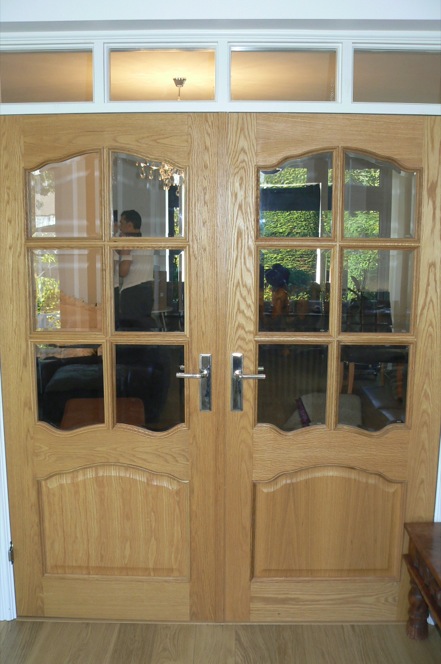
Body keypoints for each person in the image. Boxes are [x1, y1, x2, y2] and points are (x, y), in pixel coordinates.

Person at [116, 209, 155, 330]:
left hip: (133, 293)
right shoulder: (147, 242)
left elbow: (123, 272)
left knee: (131, 333)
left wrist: (123, 247)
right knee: (142, 331)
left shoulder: (128, 243)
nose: (119, 226)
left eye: (121, 223)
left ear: (129, 225)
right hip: (147, 291)